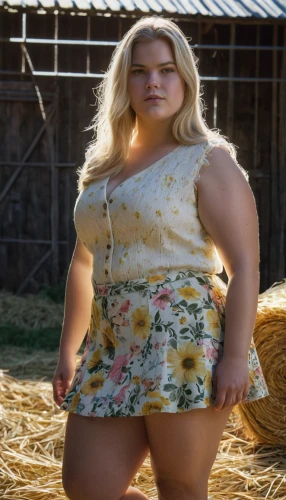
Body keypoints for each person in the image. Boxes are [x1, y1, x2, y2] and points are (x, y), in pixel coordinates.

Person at [52, 15, 269, 500]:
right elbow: (84, 263)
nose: (153, 82)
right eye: (140, 71)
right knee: (88, 488)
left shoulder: (207, 159)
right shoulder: (103, 169)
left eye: (167, 70)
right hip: (110, 346)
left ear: (186, 80)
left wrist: (235, 357)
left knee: (180, 485)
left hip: (184, 340)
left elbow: (245, 266)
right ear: (122, 81)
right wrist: (70, 349)